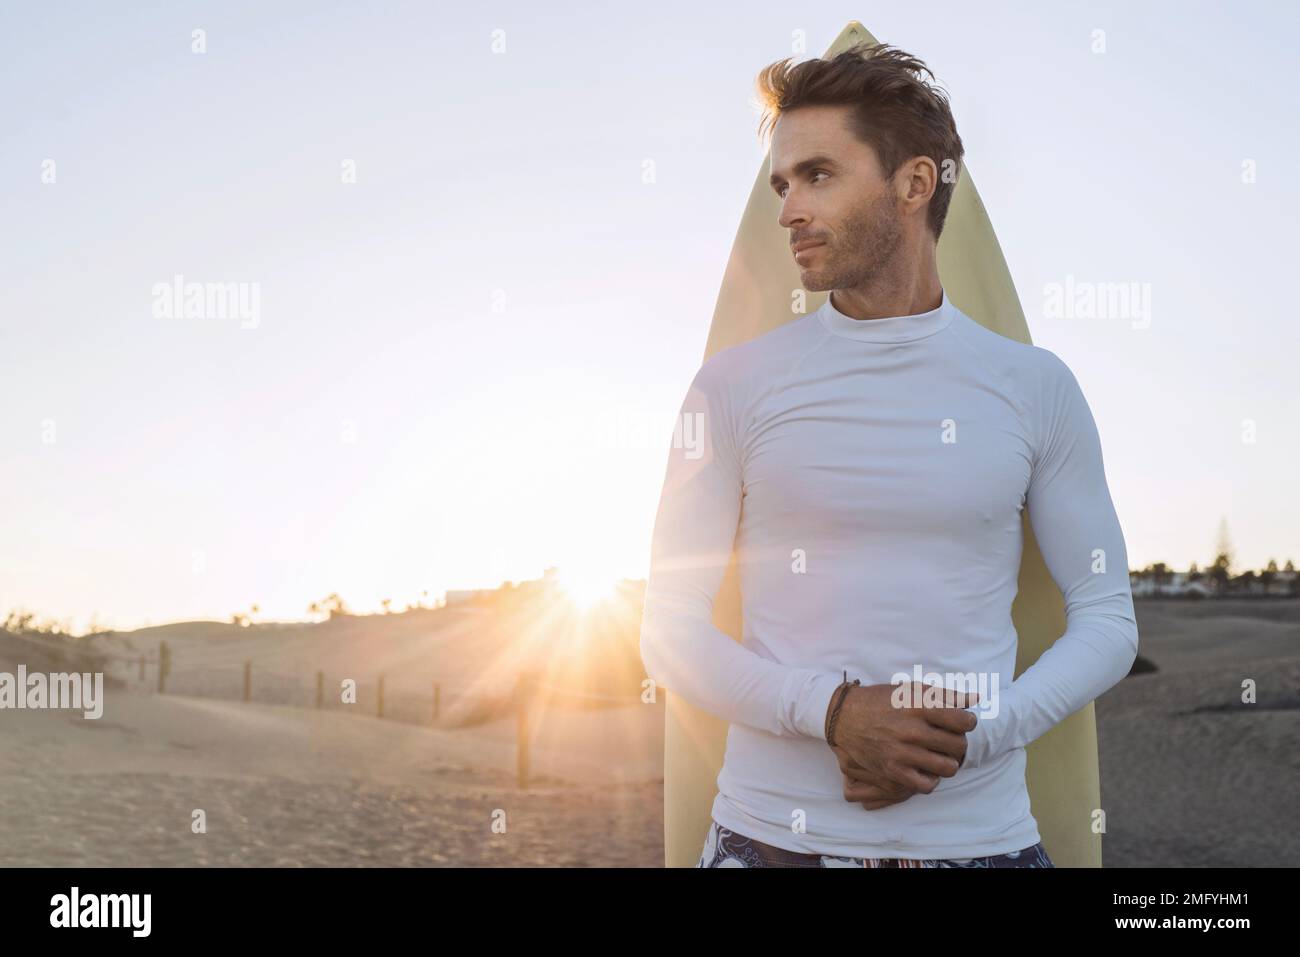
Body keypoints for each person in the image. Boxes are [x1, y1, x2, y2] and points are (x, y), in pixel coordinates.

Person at [639, 42, 1138, 868]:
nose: (789, 210)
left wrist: (977, 737)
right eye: (782, 184)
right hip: (769, 840)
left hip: (983, 844)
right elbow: (667, 630)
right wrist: (832, 712)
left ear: (915, 184)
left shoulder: (1035, 387)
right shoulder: (728, 388)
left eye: (818, 175)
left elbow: (1109, 616)